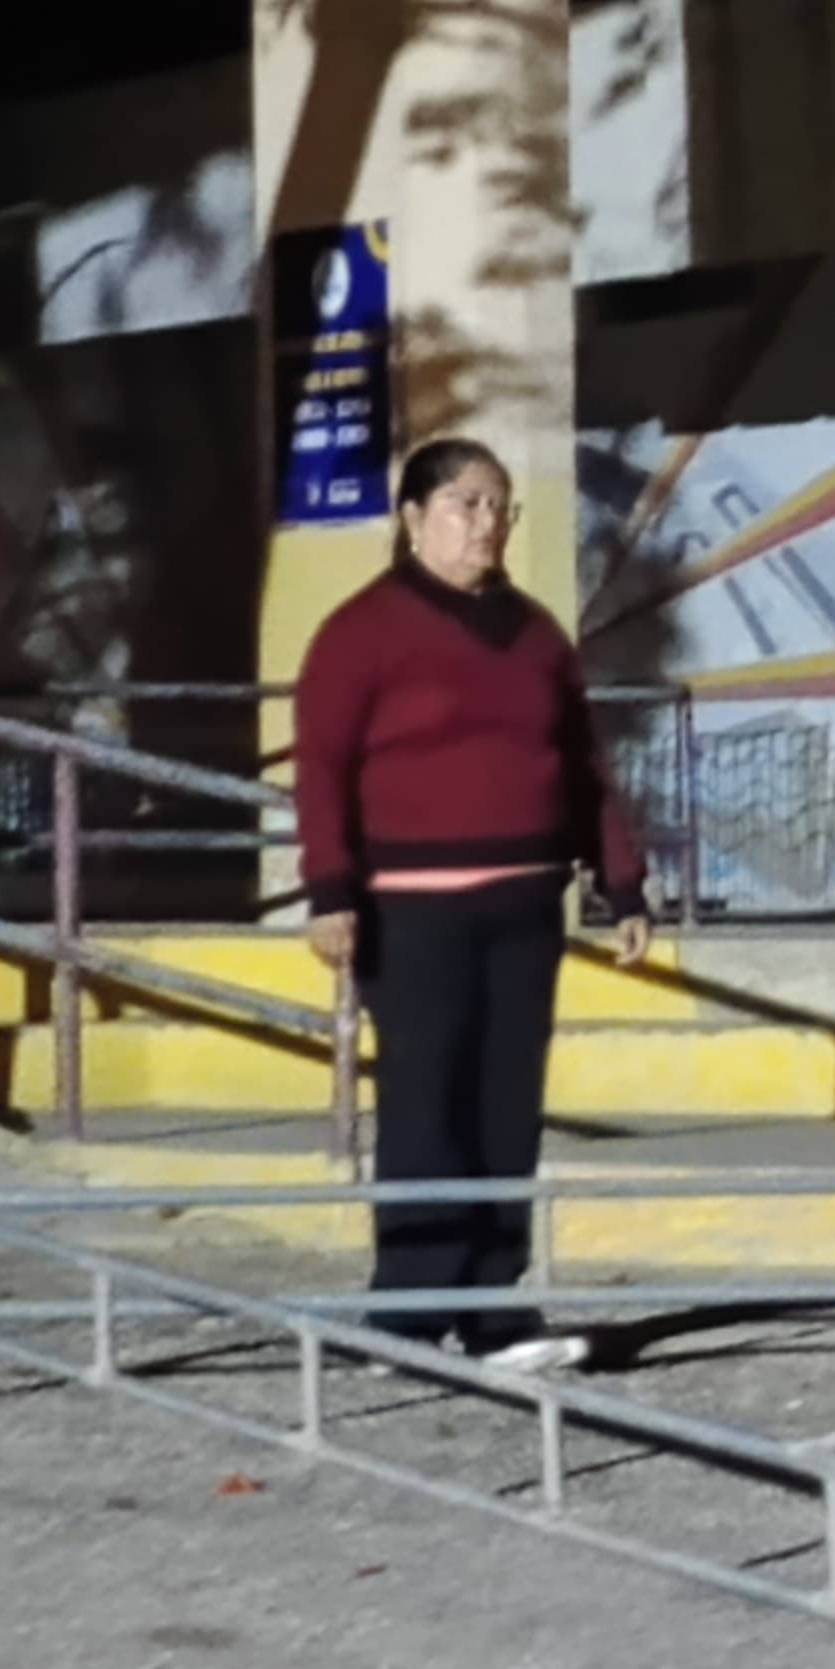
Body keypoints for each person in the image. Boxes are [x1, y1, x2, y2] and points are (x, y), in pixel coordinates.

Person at [295, 437, 652, 1368]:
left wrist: (622, 880)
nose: (486, 523)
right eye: (466, 503)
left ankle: (495, 1314)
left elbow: (583, 765)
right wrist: (330, 891)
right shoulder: (360, 632)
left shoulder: (537, 635)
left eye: (499, 506)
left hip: (525, 907)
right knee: (426, 1107)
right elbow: (321, 769)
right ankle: (409, 1315)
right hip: (412, 913)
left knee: (506, 1108)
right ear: (413, 518)